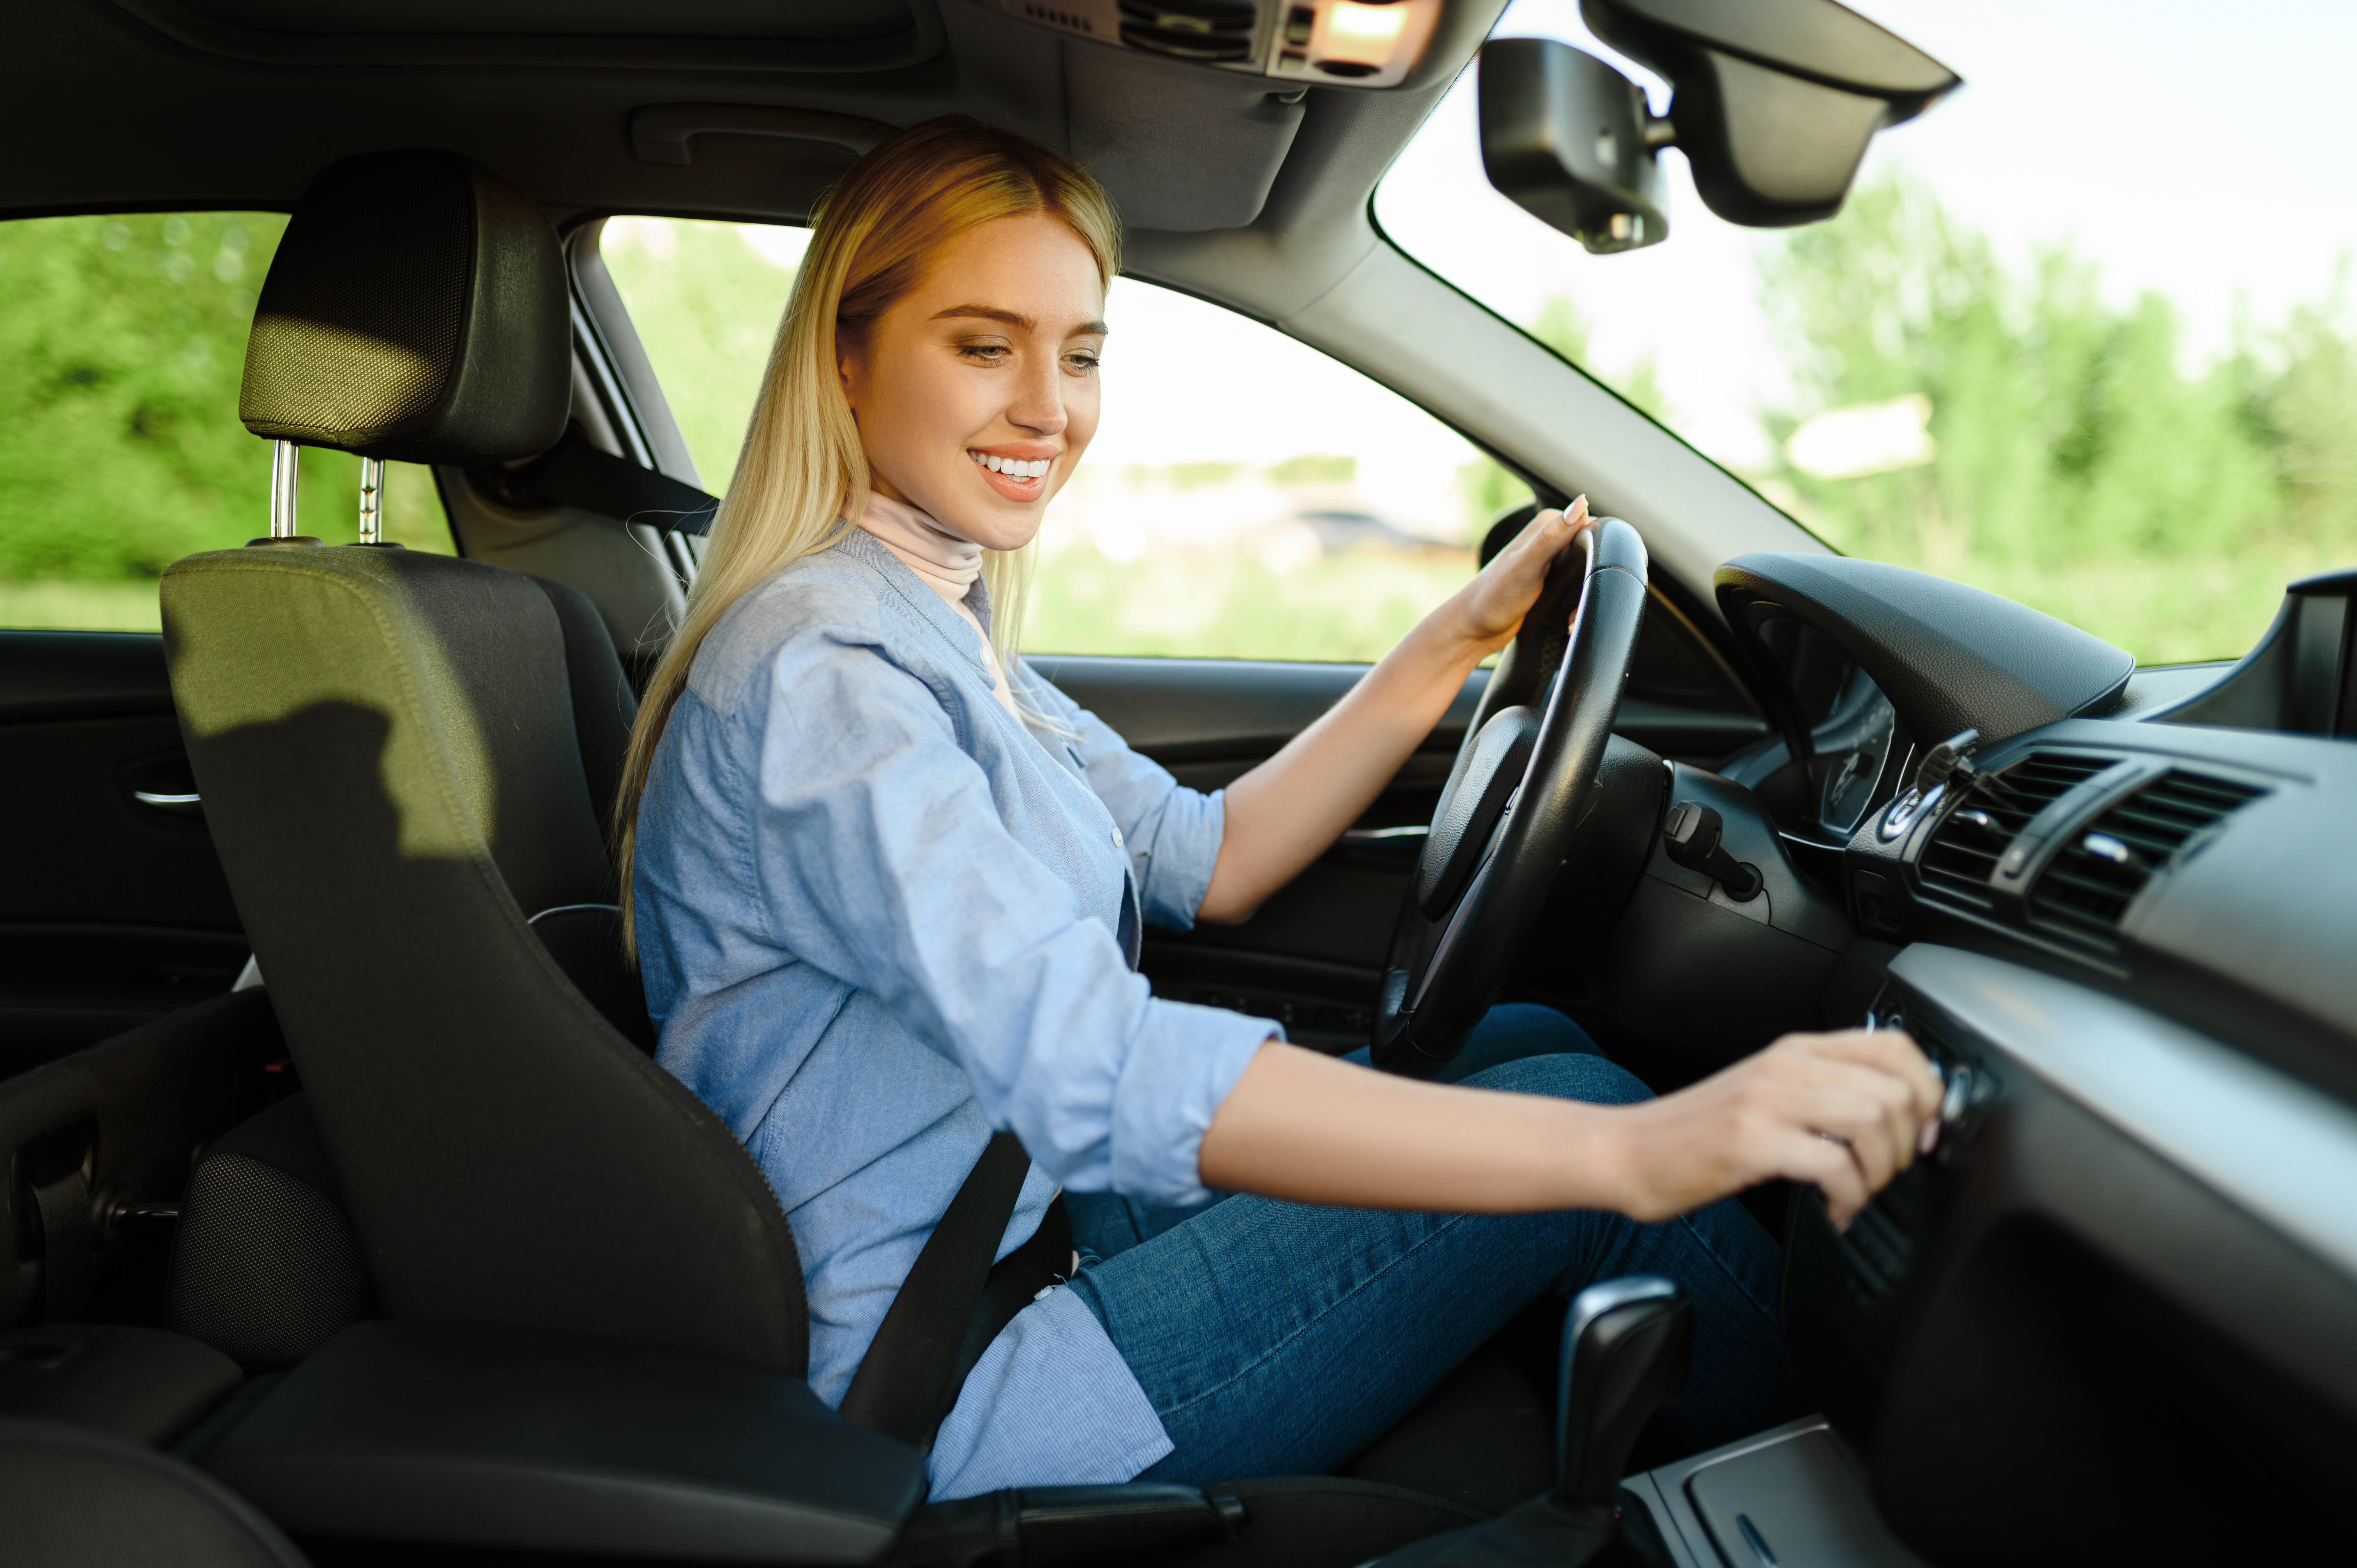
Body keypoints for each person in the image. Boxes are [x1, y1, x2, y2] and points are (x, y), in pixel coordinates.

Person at [618, 118, 1942, 1500]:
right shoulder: (826, 674)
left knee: (1529, 1037)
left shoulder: (932, 631)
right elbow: (1089, 1065)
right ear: (847, 355)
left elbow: (1210, 857)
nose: (1048, 408)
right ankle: (1901, 1502)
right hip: (938, 1373)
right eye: (982, 344)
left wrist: (1459, 637)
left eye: (1079, 354)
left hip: (1017, 1221)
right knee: (1579, 1118)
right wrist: (1638, 1151)